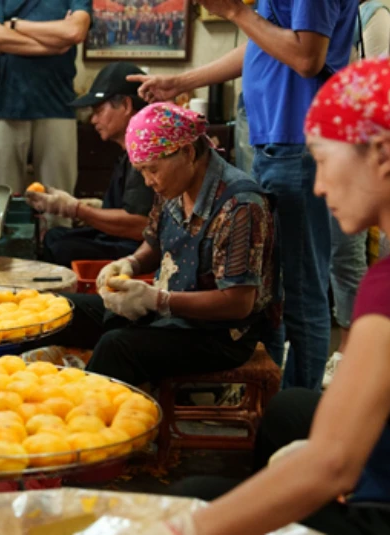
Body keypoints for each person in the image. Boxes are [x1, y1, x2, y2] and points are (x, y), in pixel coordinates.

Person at [140, 57, 390, 535]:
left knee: (194, 497)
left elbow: (331, 465)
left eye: (320, 159)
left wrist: (186, 529)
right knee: (292, 408)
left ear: (381, 154)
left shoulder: (386, 285)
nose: (317, 185)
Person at [130, 0, 358, 391]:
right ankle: (276, 399)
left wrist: (236, 12)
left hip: (296, 144)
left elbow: (306, 57)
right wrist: (185, 82)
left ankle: (296, 414)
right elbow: (264, 41)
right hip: (275, 142)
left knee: (301, 294)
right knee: (272, 290)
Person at [36, 103, 277, 387]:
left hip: (218, 335)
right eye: (141, 171)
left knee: (118, 347)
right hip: (170, 311)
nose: (148, 181)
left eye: (152, 170)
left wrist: (158, 300)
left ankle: (94, 424)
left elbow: (238, 303)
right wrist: (130, 263)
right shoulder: (173, 186)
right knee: (59, 311)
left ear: (187, 152)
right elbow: (154, 243)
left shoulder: (240, 205)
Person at [25, 62, 154, 268]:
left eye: (99, 110)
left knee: (63, 248)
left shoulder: (146, 152)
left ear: (126, 106)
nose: (93, 120)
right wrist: (90, 206)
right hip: (117, 239)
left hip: (136, 250)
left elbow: (140, 225)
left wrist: (75, 210)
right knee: (54, 236)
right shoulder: (127, 151)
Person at [325, 0, 390, 387]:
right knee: (338, 253)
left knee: (349, 254)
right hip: (345, 141)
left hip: (362, 146)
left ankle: (351, 349)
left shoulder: (376, 13)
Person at [0, 0, 91, 200]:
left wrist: (14, 25)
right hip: (4, 104)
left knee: (60, 206)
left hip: (57, 105)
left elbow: (75, 31)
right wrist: (54, 45)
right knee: (1, 204)